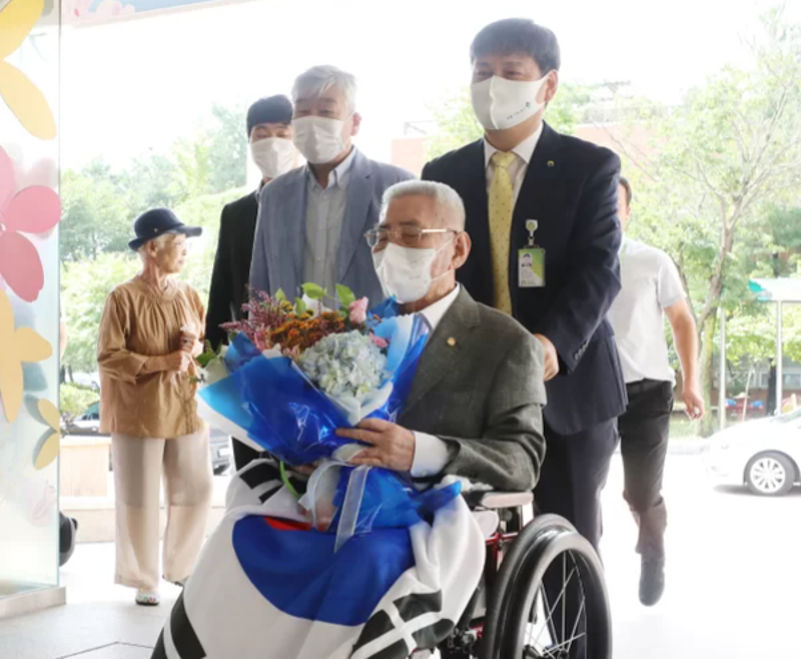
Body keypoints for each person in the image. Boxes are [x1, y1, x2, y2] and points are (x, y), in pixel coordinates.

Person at [151, 180, 547, 659]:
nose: (391, 247)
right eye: (381, 236)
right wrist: (308, 453)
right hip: (336, 502)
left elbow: (521, 459)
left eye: (411, 234)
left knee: (363, 561)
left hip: (429, 518)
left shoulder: (504, 342)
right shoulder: (352, 328)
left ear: (456, 247)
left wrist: (419, 450)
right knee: (240, 538)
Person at [422, 18, 626, 553]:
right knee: (462, 540)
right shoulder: (443, 173)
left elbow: (599, 268)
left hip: (567, 387)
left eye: (511, 72)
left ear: (547, 86)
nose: (493, 84)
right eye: (482, 71)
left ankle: (576, 640)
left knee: (569, 539)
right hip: (473, 390)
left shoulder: (590, 167)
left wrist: (552, 342)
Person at [97, 208, 213, 607]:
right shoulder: (122, 297)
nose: (184, 254)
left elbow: (203, 341)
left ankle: (182, 567)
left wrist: (191, 347)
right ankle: (143, 578)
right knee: (138, 497)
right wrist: (162, 362)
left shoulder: (189, 293)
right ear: (151, 247)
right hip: (140, 411)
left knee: (197, 489)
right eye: (178, 245)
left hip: (187, 406)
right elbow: (109, 356)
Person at [608, 177, 705, 606]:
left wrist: (691, 381)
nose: (608, 212)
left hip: (647, 390)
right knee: (575, 488)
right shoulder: (571, 261)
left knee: (640, 492)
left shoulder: (650, 261)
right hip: (591, 393)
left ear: (628, 212)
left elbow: (682, 321)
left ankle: (652, 552)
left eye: (616, 205)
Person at [250, 65, 414, 304]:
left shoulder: (398, 186)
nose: (313, 121)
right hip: (289, 339)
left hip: (374, 338)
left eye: (326, 111)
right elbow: (261, 283)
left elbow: (412, 279)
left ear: (354, 123)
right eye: (303, 111)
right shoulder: (275, 195)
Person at [206, 95, 296, 471]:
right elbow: (221, 285)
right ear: (249, 142)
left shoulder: (314, 205)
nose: (272, 141)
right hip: (249, 364)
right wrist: (212, 357)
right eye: (262, 134)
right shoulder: (237, 213)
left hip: (307, 361)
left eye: (282, 133)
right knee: (253, 472)